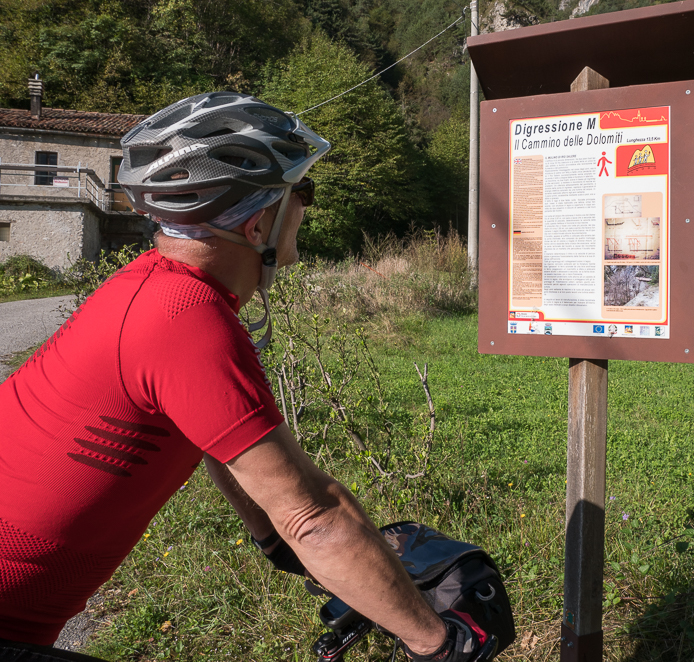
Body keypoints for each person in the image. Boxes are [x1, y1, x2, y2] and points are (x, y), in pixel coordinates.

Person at [0, 92, 485, 662]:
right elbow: (314, 515)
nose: (305, 212)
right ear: (259, 224)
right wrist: (442, 641)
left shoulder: (153, 288)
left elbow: (216, 444)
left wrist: (279, 545)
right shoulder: (186, 320)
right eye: (302, 194)